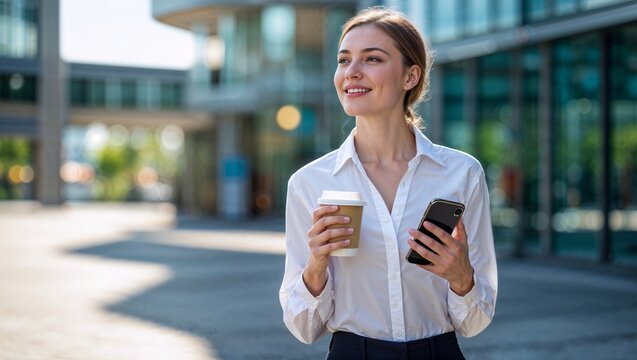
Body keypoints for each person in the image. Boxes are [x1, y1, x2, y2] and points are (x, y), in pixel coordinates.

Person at [279, 6, 497, 359]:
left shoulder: (462, 173)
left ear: (410, 76)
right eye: (344, 60)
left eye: (372, 59)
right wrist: (316, 264)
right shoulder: (309, 183)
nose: (352, 72)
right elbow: (304, 328)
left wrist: (461, 277)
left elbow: (475, 322)